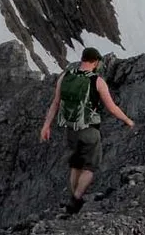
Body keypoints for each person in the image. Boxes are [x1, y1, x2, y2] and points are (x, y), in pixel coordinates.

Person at [40, 47, 135, 214]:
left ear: (83, 59)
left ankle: (72, 197)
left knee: (75, 164)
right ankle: (76, 199)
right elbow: (111, 107)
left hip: (71, 129)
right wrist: (127, 120)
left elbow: (55, 103)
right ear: (95, 62)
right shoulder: (97, 81)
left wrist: (46, 126)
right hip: (89, 130)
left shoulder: (65, 76)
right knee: (89, 167)